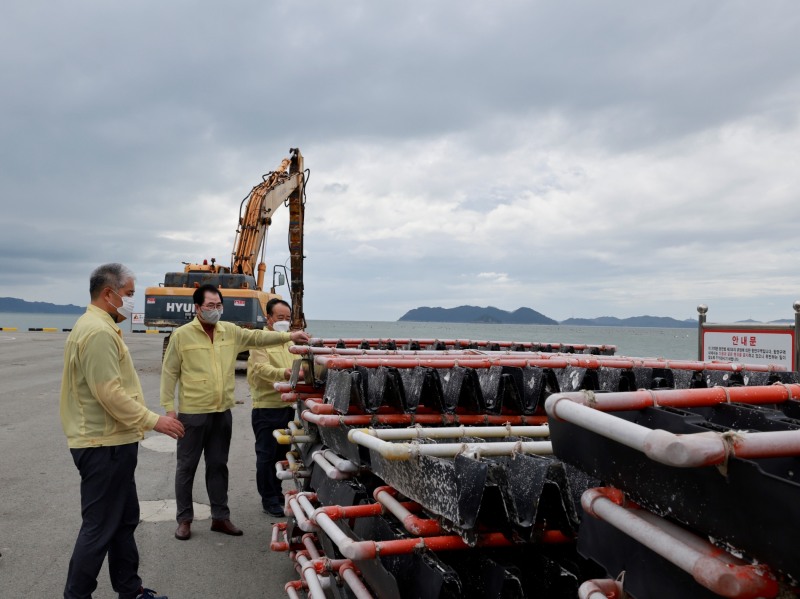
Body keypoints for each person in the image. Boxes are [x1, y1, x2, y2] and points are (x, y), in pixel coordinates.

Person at [60, 263, 185, 599]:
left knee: (123, 522)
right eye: (129, 294)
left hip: (113, 442)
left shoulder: (98, 327)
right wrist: (154, 420)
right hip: (104, 445)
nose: (131, 302)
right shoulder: (98, 332)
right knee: (100, 527)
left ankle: (130, 589)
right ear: (108, 293)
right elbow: (109, 393)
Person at [161, 284, 310, 541]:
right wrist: (168, 410)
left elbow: (259, 338)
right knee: (187, 467)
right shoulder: (182, 335)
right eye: (210, 306)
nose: (216, 310)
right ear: (197, 308)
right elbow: (169, 372)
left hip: (222, 411)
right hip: (192, 412)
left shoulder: (228, 331)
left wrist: (288, 337)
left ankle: (220, 517)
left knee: (218, 466)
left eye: (219, 305)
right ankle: (184, 519)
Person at [247, 298, 303, 517]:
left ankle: (277, 493)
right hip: (267, 407)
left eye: (287, 318)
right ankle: (268, 499)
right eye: (280, 318)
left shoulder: (290, 343)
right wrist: (285, 374)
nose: (284, 322)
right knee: (267, 455)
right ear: (268, 319)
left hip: (288, 406)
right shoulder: (260, 340)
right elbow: (261, 368)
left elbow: (300, 363)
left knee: (283, 453)